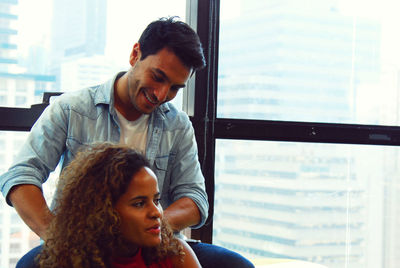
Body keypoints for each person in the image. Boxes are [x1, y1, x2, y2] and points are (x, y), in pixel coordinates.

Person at [0, 17, 254, 268]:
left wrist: (149, 224)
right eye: (158, 76)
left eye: (175, 88)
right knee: (29, 266)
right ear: (135, 54)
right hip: (84, 244)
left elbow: (195, 199)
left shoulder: (178, 125)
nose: (162, 95)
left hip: (154, 244)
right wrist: (58, 237)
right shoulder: (71, 109)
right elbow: (21, 176)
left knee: (235, 265)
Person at [37, 143, 201, 268]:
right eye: (139, 204)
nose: (157, 213)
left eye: (156, 201)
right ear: (104, 212)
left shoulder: (176, 254)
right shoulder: (71, 262)